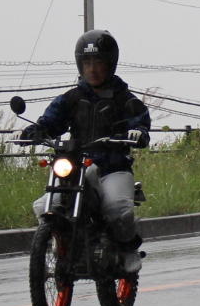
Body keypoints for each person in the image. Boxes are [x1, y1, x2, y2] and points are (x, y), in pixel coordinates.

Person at [19, 28, 153, 274]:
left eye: (98, 62)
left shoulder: (124, 98)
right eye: (87, 62)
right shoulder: (71, 98)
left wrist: (139, 132)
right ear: (80, 65)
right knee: (43, 205)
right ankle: (61, 244)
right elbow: (51, 121)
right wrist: (33, 132)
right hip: (78, 165)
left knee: (117, 210)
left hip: (113, 167)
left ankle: (127, 249)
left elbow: (139, 119)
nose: (92, 68)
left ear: (110, 64)